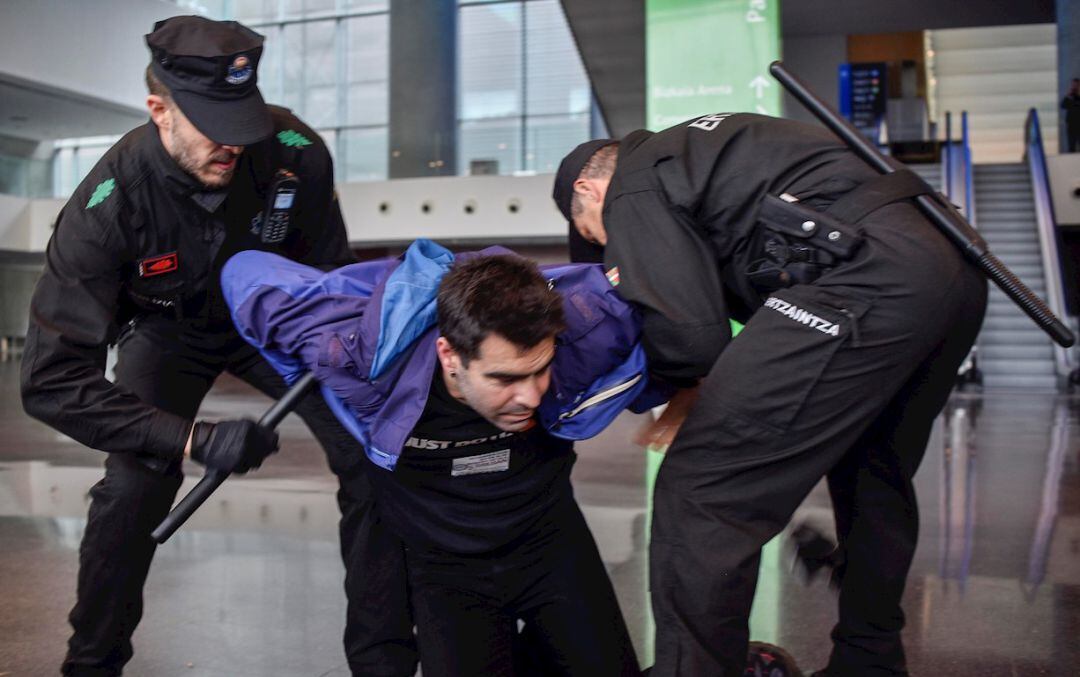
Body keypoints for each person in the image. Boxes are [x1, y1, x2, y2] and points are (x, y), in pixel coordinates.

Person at [20, 16, 414, 677]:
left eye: (242, 121)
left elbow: (330, 281)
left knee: (371, 455)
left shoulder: (296, 153)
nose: (233, 145)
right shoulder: (105, 207)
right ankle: (92, 661)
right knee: (134, 485)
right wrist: (193, 439)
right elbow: (49, 381)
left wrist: (349, 359)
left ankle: (384, 662)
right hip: (167, 331)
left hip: (277, 323)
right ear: (158, 111)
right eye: (211, 125)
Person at [553, 112, 988, 676]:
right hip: (951, 266)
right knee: (873, 475)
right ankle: (870, 661)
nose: (606, 244)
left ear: (588, 190)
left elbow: (691, 338)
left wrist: (663, 386)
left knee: (703, 494)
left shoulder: (634, 181)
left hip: (866, 278)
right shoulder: (709, 150)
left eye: (591, 230)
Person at [219, 240, 662, 676]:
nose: (529, 396)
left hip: (552, 549)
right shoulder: (357, 363)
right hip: (447, 574)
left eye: (540, 369)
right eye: (504, 378)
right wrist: (301, 367)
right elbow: (244, 269)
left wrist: (681, 396)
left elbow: (678, 320)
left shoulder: (584, 336)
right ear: (450, 355)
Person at [1062, 78, 1080, 153]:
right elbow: (1063, 105)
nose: (1074, 87)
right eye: (1073, 85)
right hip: (1071, 124)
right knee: (1071, 145)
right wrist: (1068, 96)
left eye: (1076, 85)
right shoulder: (1070, 96)